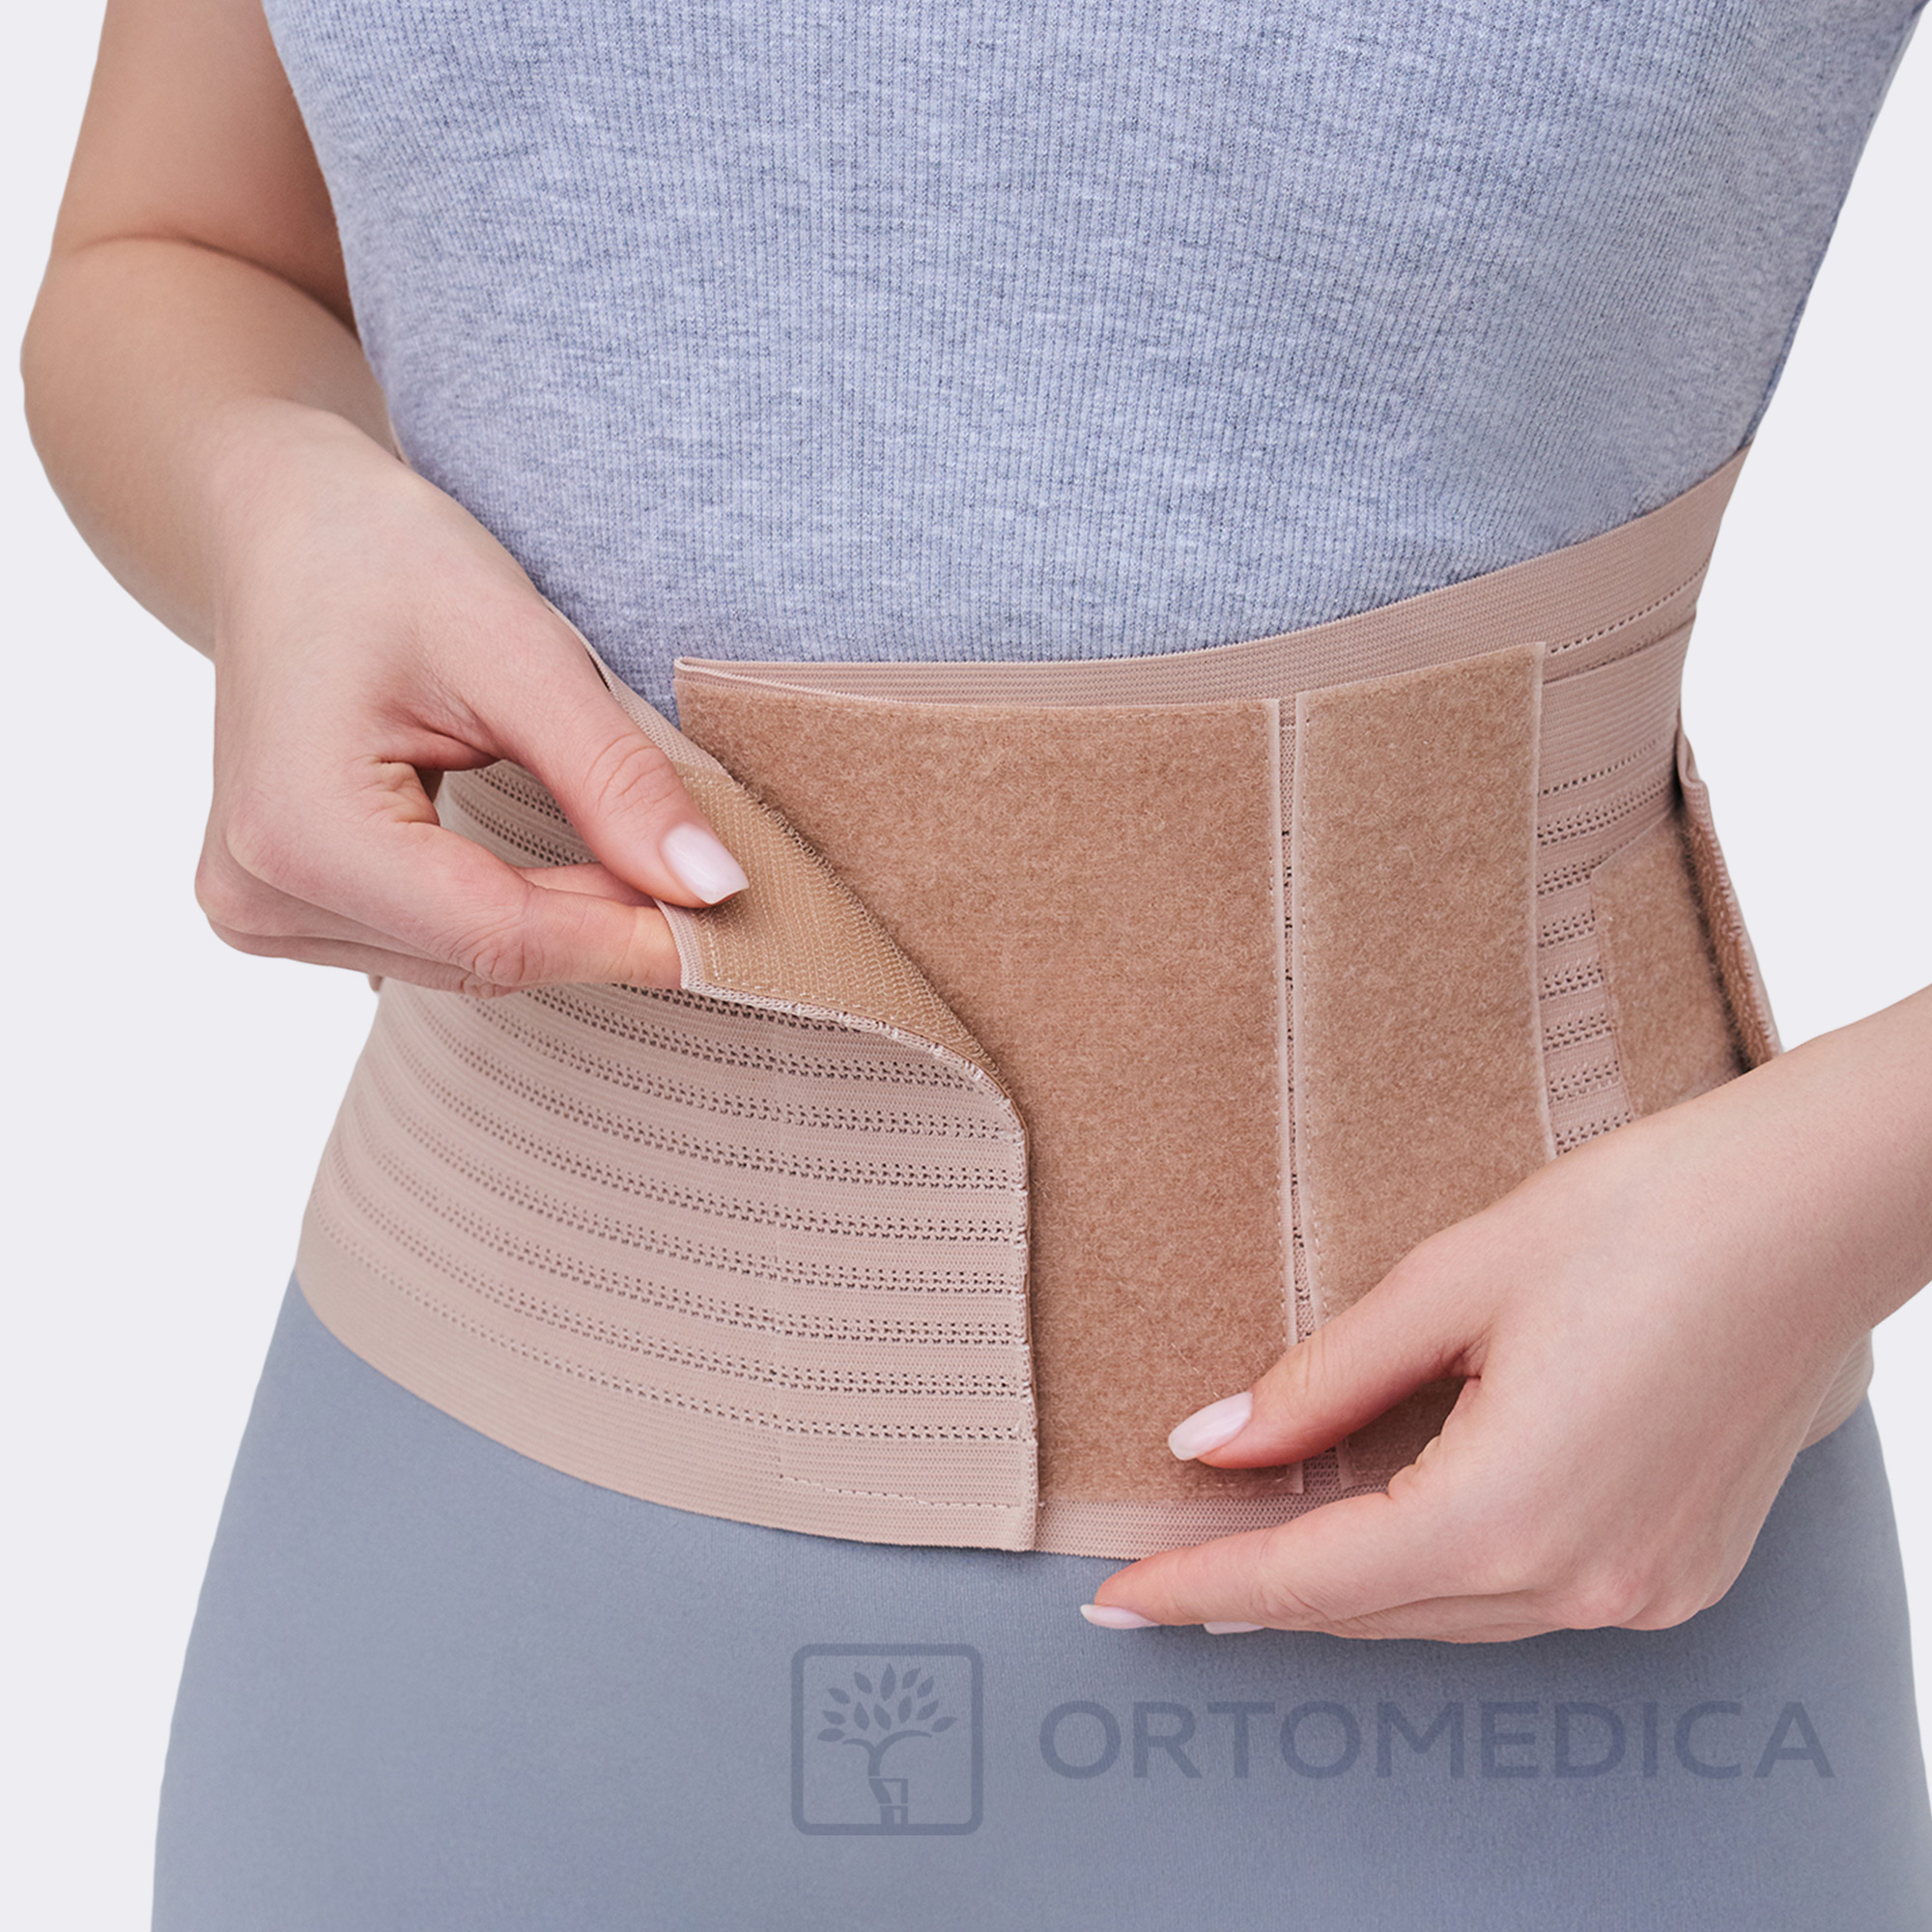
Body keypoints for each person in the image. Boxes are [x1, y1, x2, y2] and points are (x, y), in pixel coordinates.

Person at [23, 0, 1932, 1925]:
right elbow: (177, 248)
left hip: (1519, 1629)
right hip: (456, 1621)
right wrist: (276, 497)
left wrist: (1846, 1190)